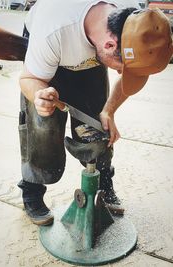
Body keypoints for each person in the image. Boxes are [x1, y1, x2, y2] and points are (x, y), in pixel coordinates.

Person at [18, 0, 173, 225]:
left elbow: (129, 76)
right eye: (121, 68)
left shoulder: (135, 21)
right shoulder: (52, 30)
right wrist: (39, 96)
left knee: (97, 128)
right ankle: (32, 191)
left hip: (90, 45)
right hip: (55, 44)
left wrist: (109, 111)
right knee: (43, 126)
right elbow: (29, 79)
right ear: (110, 45)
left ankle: (103, 184)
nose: (120, 73)